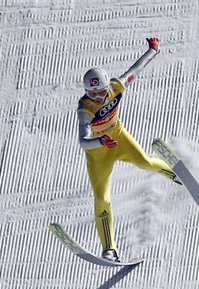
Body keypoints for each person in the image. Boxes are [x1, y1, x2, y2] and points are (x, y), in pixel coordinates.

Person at [76, 38, 182, 262]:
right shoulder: (85, 109)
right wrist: (101, 141)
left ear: (107, 86)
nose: (96, 98)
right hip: (98, 154)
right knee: (102, 198)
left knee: (145, 162)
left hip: (119, 138)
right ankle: (109, 249)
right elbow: (83, 141)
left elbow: (136, 69)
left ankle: (177, 175)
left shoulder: (116, 87)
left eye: (100, 92)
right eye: (92, 94)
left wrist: (153, 50)